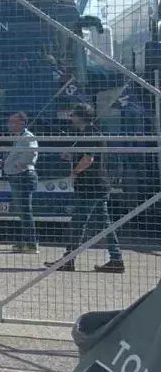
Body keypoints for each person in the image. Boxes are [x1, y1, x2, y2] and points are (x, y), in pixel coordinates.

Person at [46, 104, 125, 274]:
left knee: (78, 223)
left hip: (90, 186)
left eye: (73, 115)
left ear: (80, 116)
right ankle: (116, 259)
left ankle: (68, 260)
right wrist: (71, 156)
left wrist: (75, 172)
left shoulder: (89, 134)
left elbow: (88, 159)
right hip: (98, 185)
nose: (71, 118)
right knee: (105, 225)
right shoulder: (91, 133)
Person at [3, 111, 39, 254]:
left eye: (13, 122)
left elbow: (32, 153)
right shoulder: (19, 138)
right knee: (21, 211)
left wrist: (20, 164)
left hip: (23, 177)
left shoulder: (28, 137)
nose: (9, 125)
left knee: (25, 211)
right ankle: (25, 242)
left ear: (22, 123)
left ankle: (31, 244)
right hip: (16, 176)